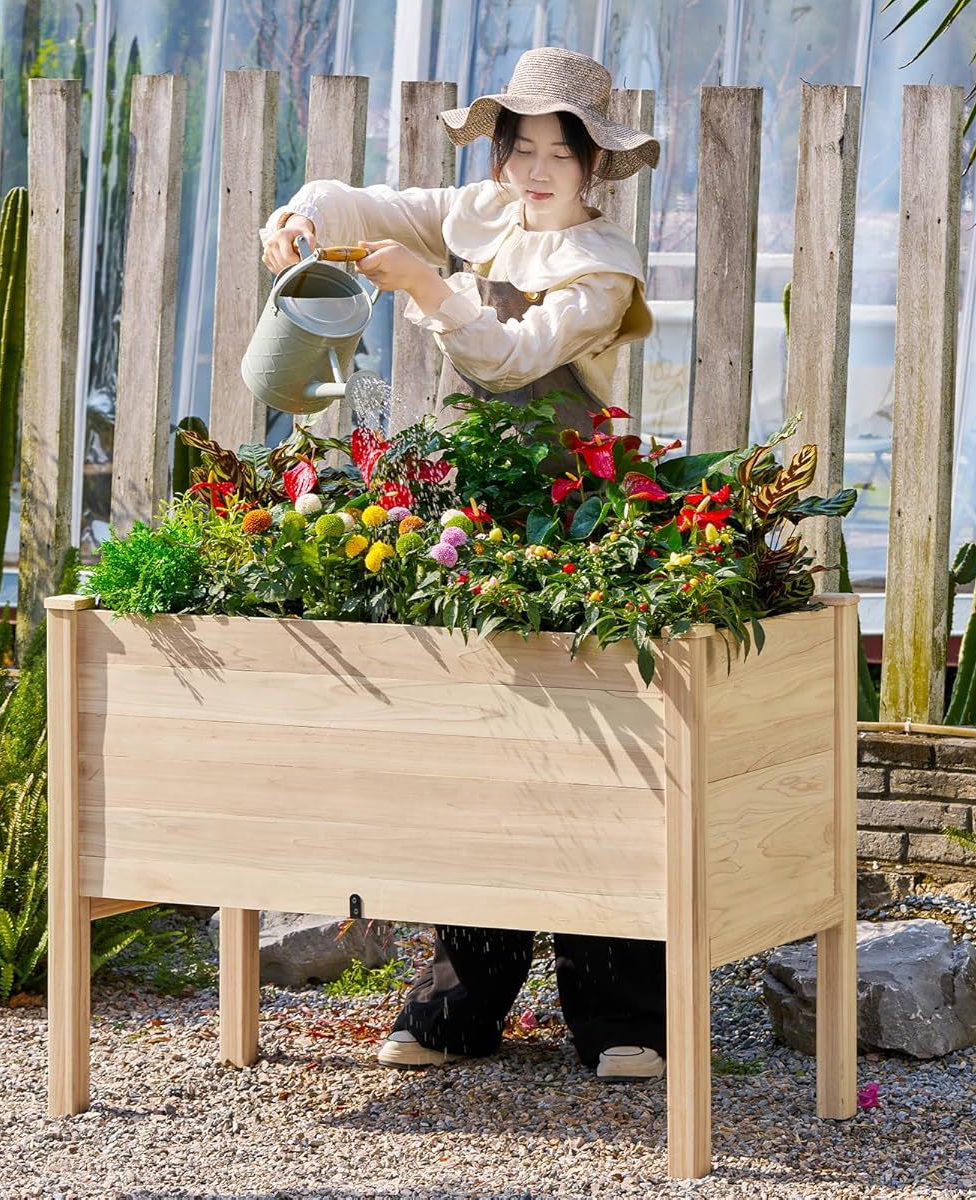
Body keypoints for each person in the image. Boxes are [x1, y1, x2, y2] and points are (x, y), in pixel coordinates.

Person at [258, 46, 666, 1082]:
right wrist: (300, 216)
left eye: (556, 155)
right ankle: (459, 1000)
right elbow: (367, 201)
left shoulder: (602, 266)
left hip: (570, 520)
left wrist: (431, 290)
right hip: (462, 515)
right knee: (474, 747)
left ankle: (620, 1013)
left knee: (588, 750)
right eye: (518, 145)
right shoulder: (480, 213)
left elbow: (512, 357)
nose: (532, 171)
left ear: (594, 169)